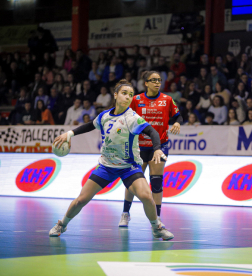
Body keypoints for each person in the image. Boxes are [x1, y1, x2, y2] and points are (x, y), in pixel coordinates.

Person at [49, 79, 174, 241]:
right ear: (115, 95)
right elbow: (90, 126)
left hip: (128, 167)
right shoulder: (105, 116)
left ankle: (156, 227)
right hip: (106, 166)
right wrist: (70, 134)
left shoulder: (133, 118)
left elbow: (152, 132)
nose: (128, 97)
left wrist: (157, 148)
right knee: (81, 200)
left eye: (131, 95)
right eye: (124, 93)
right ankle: (62, 224)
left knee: (146, 196)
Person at [119, 71, 182, 228]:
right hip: (138, 147)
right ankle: (125, 214)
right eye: (153, 80)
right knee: (132, 183)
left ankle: (157, 218)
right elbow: (124, 116)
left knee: (156, 182)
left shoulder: (167, 100)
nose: (157, 82)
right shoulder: (136, 100)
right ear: (145, 83)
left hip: (159, 147)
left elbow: (178, 116)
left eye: (159, 80)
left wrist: (177, 123)